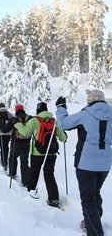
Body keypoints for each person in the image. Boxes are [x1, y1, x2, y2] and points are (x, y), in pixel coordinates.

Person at [56, 89, 112, 236]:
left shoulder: (86, 113)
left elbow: (63, 124)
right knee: (94, 194)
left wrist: (61, 108)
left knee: (88, 200)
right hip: (105, 164)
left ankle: (94, 232)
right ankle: (92, 222)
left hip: (85, 163)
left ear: (90, 100)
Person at [14, 102, 67, 207]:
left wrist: (17, 124)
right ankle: (54, 199)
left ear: (38, 111)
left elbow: (25, 132)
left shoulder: (34, 120)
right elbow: (63, 138)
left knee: (34, 174)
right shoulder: (54, 121)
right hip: (51, 153)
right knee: (49, 175)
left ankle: (31, 195)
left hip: (37, 153)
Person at [3, 104, 32, 187]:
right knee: (24, 161)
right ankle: (25, 181)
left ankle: (12, 173)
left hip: (16, 142)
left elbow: (5, 130)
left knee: (12, 157)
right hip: (27, 143)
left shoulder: (14, 119)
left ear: (16, 110)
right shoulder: (29, 118)